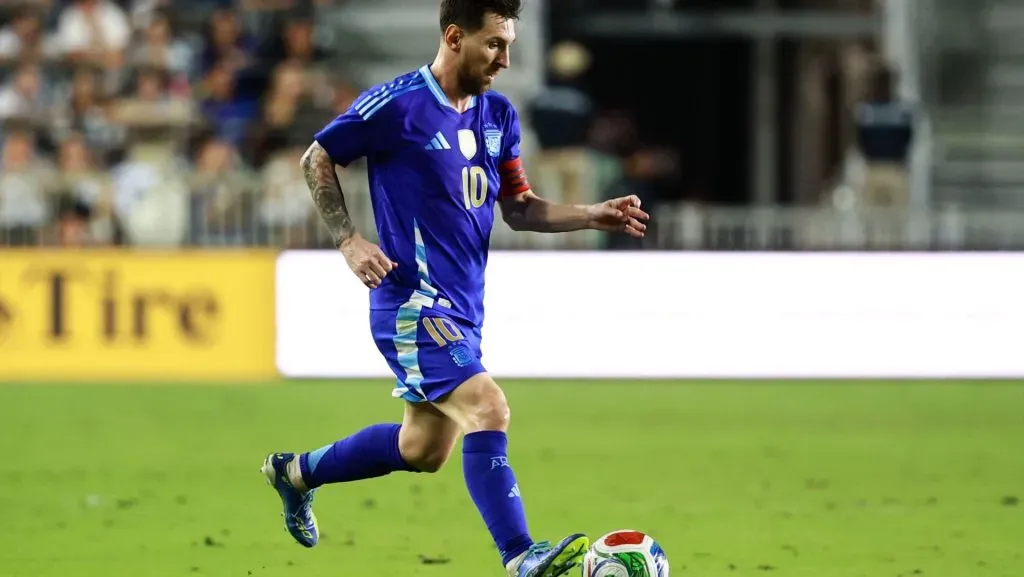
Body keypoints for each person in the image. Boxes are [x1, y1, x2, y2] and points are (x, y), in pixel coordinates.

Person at [260, 1, 648, 576]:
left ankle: (294, 472)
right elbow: (317, 158)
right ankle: (519, 556)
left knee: (424, 449)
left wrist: (593, 214)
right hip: (411, 302)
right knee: (489, 407)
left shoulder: (498, 116)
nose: (506, 59)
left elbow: (518, 208)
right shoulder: (398, 105)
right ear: (454, 36)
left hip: (463, 309)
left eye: (509, 44)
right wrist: (348, 241)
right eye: (494, 44)